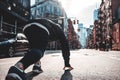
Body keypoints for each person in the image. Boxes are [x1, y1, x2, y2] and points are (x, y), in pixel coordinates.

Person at [5, 18, 73, 80]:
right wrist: (67, 63)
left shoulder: (52, 25)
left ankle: (37, 66)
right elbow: (65, 46)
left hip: (27, 27)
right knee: (39, 51)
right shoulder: (59, 30)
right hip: (41, 27)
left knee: (34, 49)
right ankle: (17, 69)